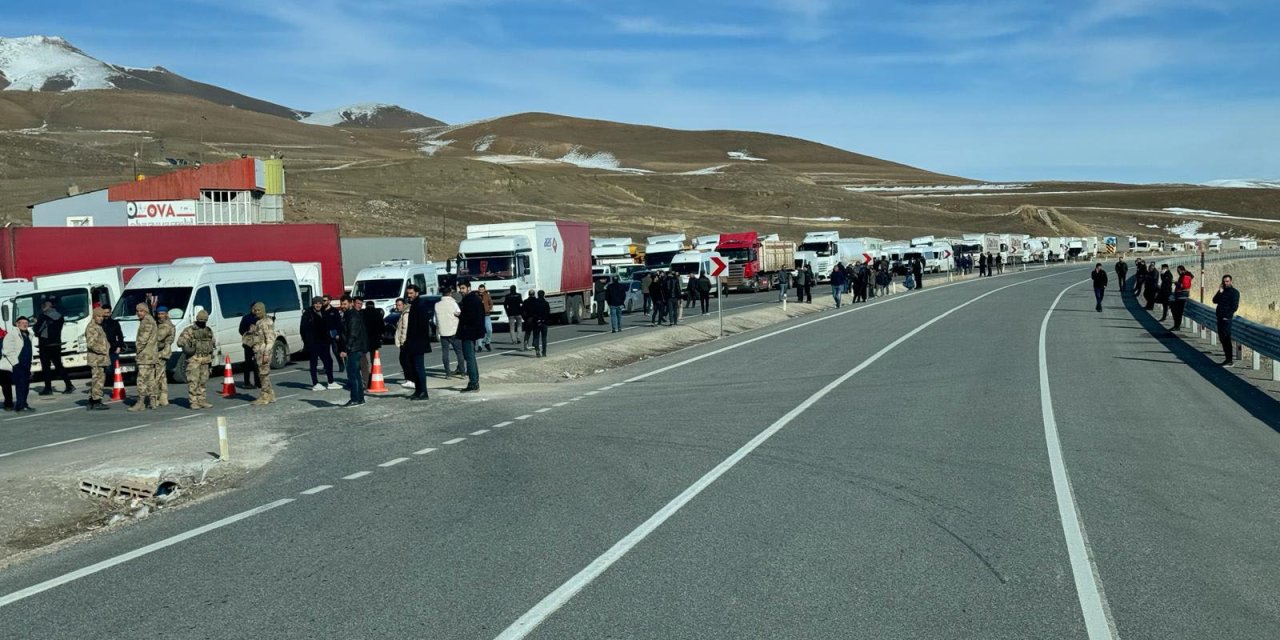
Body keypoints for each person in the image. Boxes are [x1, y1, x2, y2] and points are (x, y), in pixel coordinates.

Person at [176, 309, 216, 410]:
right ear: (197, 319)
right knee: (193, 381)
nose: (202, 323)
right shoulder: (189, 330)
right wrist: (188, 345)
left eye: (204, 321)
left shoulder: (208, 331)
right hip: (194, 359)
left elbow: (212, 343)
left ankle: (202, 400)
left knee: (203, 381)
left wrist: (211, 358)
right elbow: (180, 342)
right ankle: (193, 401)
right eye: (200, 321)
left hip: (205, 359)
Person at [34, 299, 73, 395]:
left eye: (43, 306)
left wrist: (36, 323)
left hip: (45, 345)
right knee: (59, 365)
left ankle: (48, 388)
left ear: (45, 306)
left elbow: (37, 330)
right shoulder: (60, 316)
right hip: (56, 343)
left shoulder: (43, 316)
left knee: (46, 367)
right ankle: (69, 385)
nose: (42, 308)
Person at [403, 284, 434, 401]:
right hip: (413, 342)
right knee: (414, 367)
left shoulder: (420, 305)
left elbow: (422, 327)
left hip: (418, 342)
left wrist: (416, 342)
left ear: (417, 293)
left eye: (411, 293)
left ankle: (423, 392)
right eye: (408, 293)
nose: (409, 295)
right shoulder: (414, 305)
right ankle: (418, 390)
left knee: (419, 367)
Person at [243, 302, 277, 405]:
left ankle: (264, 396)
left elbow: (270, 340)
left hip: (264, 352)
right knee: (263, 374)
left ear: (263, 310)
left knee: (263, 375)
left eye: (259, 310)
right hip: (258, 352)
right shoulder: (258, 322)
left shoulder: (267, 322)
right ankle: (270, 395)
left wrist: (266, 354)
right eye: (255, 310)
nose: (257, 312)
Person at [456, 280, 486, 392]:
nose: (461, 290)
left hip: (468, 332)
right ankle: (474, 382)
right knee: (470, 357)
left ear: (468, 288)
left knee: (469, 357)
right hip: (472, 332)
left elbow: (470, 318)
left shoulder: (469, 300)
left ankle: (473, 383)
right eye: (460, 288)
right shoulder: (475, 299)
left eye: (463, 288)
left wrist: (460, 316)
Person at [338, 295, 368, 406]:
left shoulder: (353, 316)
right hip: (354, 348)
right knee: (355, 374)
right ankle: (360, 398)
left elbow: (352, 334)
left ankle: (355, 398)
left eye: (345, 304)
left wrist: (346, 349)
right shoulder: (348, 315)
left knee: (352, 375)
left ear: (351, 303)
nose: (342, 306)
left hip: (354, 349)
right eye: (341, 304)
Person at [1, 316, 35, 412]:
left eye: (26, 323)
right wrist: (15, 363)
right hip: (17, 364)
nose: (25, 324)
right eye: (22, 323)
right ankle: (20, 406)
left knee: (26, 385)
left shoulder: (29, 334)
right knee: (20, 385)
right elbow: (7, 350)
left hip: (27, 364)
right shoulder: (12, 334)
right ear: (17, 324)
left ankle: (24, 404)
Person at [301, 296, 336, 391]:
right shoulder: (308, 314)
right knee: (314, 362)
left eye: (320, 303)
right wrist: (307, 341)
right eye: (316, 303)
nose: (318, 305)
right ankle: (315, 383)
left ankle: (331, 381)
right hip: (313, 342)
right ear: (313, 304)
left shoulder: (324, 312)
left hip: (324, 342)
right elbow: (303, 329)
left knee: (328, 361)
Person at [130, 303, 160, 412]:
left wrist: (137, 350)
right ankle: (153, 401)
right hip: (150, 355)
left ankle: (141, 402)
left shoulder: (146, 321)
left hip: (145, 356)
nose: (139, 313)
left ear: (146, 311)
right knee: (151, 379)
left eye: (141, 311)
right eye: (137, 311)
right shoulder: (150, 320)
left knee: (141, 380)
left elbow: (143, 339)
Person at [435, 289, 466, 377]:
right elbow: (458, 313)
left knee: (445, 353)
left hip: (443, 331)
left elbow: (436, 319)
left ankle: (448, 373)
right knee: (459, 352)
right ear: (449, 294)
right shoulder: (453, 303)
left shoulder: (437, 305)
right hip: (454, 330)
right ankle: (462, 372)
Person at [84, 307, 111, 410]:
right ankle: (96, 401)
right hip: (96, 359)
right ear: (94, 316)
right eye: (98, 316)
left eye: (102, 316)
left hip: (100, 359)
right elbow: (91, 344)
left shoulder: (98, 326)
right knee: (98, 380)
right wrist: (104, 350)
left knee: (98, 379)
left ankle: (92, 400)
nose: (101, 318)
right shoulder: (92, 327)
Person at [1212, 275, 1239, 366]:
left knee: (1226, 338)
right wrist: (1220, 292)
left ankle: (1229, 360)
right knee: (1222, 338)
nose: (1225, 283)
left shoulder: (1234, 292)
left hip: (1226, 318)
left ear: (1231, 281)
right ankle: (1227, 359)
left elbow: (1234, 307)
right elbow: (1214, 301)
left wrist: (1227, 316)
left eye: (1227, 281)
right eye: (1224, 281)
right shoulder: (1222, 291)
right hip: (1220, 317)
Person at [152, 307, 176, 406]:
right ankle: (163, 398)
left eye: (162, 314)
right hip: (160, 353)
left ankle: (156, 397)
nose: (160, 316)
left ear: (166, 314)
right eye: (159, 314)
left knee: (157, 376)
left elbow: (158, 337)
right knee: (162, 376)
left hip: (161, 353)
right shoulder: (160, 324)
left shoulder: (166, 325)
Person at [361, 300, 384, 387]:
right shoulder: (377, 313)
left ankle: (366, 379)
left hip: (365, 339)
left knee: (365, 360)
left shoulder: (363, 313)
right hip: (375, 340)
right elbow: (382, 326)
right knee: (374, 360)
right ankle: (374, 375)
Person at [238, 305, 259, 389]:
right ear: (251, 309)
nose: (255, 310)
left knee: (257, 363)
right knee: (248, 363)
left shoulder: (259, 318)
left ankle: (258, 382)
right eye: (254, 309)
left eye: (257, 309)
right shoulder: (246, 318)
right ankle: (247, 382)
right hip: (248, 343)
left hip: (257, 343)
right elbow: (241, 330)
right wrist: (248, 331)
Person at [528, 290, 551, 357]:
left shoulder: (534, 303)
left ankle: (537, 350)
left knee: (536, 337)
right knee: (544, 338)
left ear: (538, 295)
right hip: (544, 322)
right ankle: (544, 352)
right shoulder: (546, 303)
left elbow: (532, 312)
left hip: (536, 322)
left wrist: (537, 319)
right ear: (543, 295)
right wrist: (544, 320)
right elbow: (548, 313)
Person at [1170, 266, 1192, 331]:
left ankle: (1177, 326)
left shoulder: (1185, 276)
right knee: (1176, 311)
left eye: (1178, 270)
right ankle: (1176, 325)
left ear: (1182, 270)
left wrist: (1176, 283)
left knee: (1177, 312)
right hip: (1180, 295)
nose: (1178, 272)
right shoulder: (1185, 275)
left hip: (1181, 296)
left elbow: (1184, 285)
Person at [478, 284, 495, 351]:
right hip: (479, 316)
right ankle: (479, 346)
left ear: (484, 289)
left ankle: (487, 343)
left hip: (486, 315)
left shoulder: (487, 295)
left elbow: (491, 303)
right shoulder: (476, 296)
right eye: (480, 289)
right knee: (480, 331)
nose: (481, 291)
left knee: (489, 330)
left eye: (482, 289)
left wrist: (489, 309)